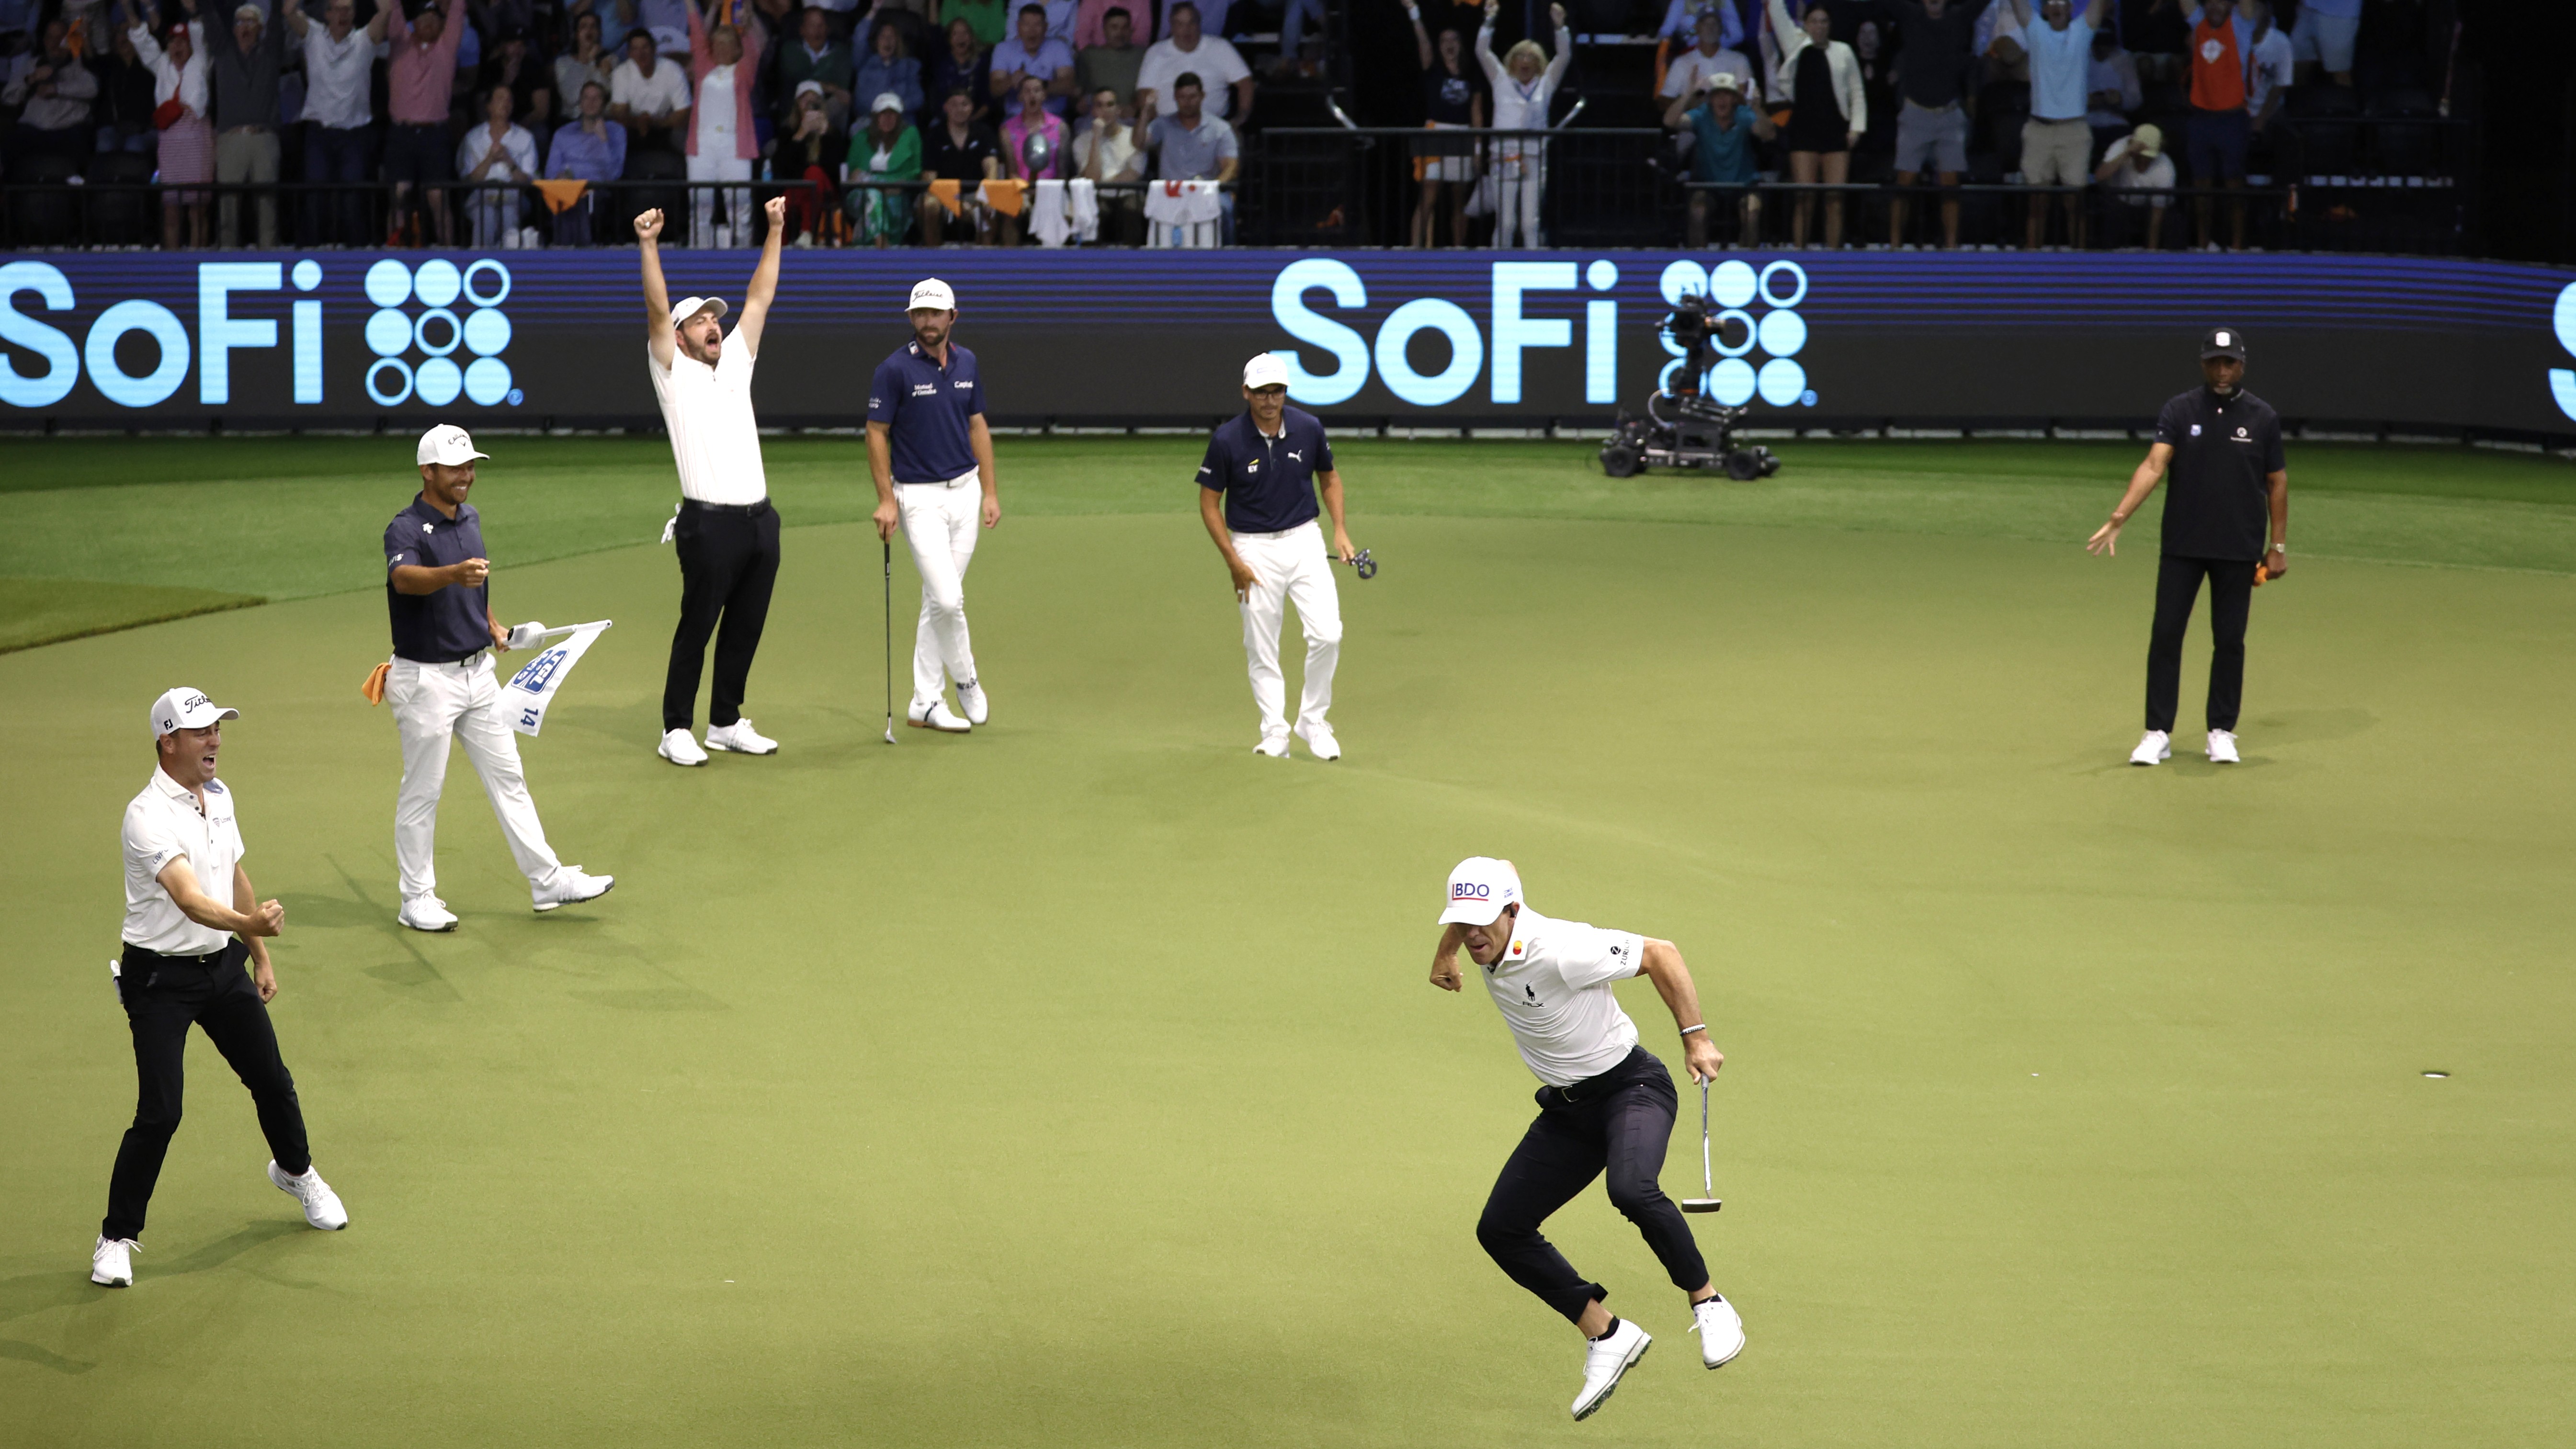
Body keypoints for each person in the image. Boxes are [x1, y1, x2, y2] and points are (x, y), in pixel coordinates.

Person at [1427, 856, 1747, 1420]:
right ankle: (1607, 1334)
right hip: (1569, 1110)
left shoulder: (1561, 947)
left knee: (1631, 1188)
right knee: (1501, 1228)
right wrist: (1446, 952)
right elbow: (1497, 875)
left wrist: (1697, 1038)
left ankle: (1710, 1302)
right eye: (1461, 920)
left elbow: (1661, 953)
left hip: (1634, 1088)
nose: (1473, 932)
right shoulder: (1481, 927)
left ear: (1513, 910)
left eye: (1483, 920)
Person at [93, 687, 351, 1292]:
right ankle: (115, 1236)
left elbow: (231, 875)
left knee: (272, 1079)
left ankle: (296, 1172)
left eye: (217, 728)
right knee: (161, 1110)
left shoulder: (220, 795)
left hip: (222, 967)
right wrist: (252, 926)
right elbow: (188, 897)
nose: (215, 739)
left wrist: (256, 954)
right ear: (168, 741)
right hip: (159, 980)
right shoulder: (146, 815)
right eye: (201, 730)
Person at [382, 425, 615, 929]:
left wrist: (497, 629)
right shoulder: (405, 528)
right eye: (455, 468)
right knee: (423, 791)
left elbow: (474, 590)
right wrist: (451, 573)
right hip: (425, 682)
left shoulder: (470, 518)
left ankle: (546, 879)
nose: (466, 476)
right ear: (428, 471)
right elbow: (404, 579)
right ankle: (415, 898)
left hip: (477, 674)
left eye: (471, 467)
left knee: (509, 777)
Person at [2085, 327, 2288, 767]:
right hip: (2183, 545)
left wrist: (2278, 544)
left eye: (2229, 362)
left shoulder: (2262, 417)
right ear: (2202, 363)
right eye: (2214, 362)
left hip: (2238, 548)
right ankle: (2157, 732)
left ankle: (2221, 731)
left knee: (2229, 640)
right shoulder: (2179, 410)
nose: (2221, 370)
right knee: (2165, 635)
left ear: (2241, 365)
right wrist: (2121, 515)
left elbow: (2277, 482)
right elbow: (2154, 464)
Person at [635, 201, 790, 766]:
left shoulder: (736, 363)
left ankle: (725, 720)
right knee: (697, 625)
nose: (712, 324)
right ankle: (676, 726)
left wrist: (774, 230)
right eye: (698, 319)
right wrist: (650, 245)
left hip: (759, 521)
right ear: (678, 337)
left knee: (746, 626)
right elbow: (656, 310)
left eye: (712, 318)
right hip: (709, 523)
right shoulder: (671, 373)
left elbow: (760, 297)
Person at [1195, 352, 1358, 759]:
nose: (1270, 400)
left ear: (1285, 391)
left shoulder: (1308, 428)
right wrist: (1233, 560)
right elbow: (1209, 503)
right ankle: (1275, 733)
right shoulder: (1227, 440)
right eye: (1262, 392)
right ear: (1246, 392)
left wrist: (1339, 530)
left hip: (1304, 540)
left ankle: (1312, 720)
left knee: (1328, 633)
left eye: (1277, 391)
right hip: (1251, 546)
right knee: (1261, 645)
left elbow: (1329, 477)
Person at [866, 278, 1002, 736]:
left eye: (935, 313)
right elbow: (876, 432)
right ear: (911, 319)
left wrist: (989, 491)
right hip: (918, 498)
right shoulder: (893, 370)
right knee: (948, 598)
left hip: (965, 493)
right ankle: (965, 678)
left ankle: (925, 701)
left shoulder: (968, 362)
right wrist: (887, 499)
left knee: (936, 602)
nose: (927, 321)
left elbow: (977, 424)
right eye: (919, 314)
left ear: (952, 317)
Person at [1886, 0, 1990, 249]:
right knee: (1904, 181)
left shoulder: (1960, 17)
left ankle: (1952, 249)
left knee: (1951, 183)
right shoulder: (1909, 15)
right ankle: (1894, 248)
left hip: (1949, 115)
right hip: (1915, 113)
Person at [281, 0, 384, 247]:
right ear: (327, 14)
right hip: (320, 132)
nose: (343, 14)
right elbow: (287, 10)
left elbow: (387, 10)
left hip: (354, 134)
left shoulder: (364, 40)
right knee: (316, 196)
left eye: (348, 8)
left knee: (352, 199)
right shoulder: (314, 34)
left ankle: (355, 257)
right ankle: (313, 254)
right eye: (337, 9)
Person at [1764, 0, 1862, 247]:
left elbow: (1857, 91)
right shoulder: (1796, 44)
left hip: (1836, 130)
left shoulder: (1844, 51)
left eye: (1824, 21)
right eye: (1814, 21)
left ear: (1830, 25)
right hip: (1804, 131)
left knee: (1835, 200)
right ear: (1806, 25)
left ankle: (1833, 260)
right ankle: (1800, 256)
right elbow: (1777, 11)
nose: (1819, 26)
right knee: (1804, 199)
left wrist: (1857, 128)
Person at [1476, 0, 1569, 249]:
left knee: (1530, 223)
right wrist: (1490, 21)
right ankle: (1496, 267)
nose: (1525, 60)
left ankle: (1534, 271)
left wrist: (1560, 28)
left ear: (1538, 61)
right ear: (1513, 60)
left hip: (1533, 158)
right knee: (1506, 223)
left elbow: (1564, 56)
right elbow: (1482, 52)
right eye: (1520, 56)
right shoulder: (1500, 79)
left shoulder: (1545, 83)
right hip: (1503, 157)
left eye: (1531, 56)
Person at [2017, 0, 2104, 249]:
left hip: (2074, 131)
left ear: (2070, 8)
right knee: (2036, 205)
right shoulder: (2036, 30)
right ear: (2044, 9)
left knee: (2075, 204)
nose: (2057, 7)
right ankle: (2033, 265)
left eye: (2062, 2)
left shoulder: (2082, 31)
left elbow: (2097, 7)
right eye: (2052, 2)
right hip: (2039, 130)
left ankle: (2078, 266)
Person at [125, 6, 211, 249]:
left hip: (196, 139)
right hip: (170, 140)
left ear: (191, 45)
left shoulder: (201, 61)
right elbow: (141, 37)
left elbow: (199, 30)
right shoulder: (162, 64)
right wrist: (126, 6)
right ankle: (172, 263)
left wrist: (193, 10)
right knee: (172, 211)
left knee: (197, 211)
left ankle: (198, 261)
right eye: (172, 41)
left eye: (182, 41)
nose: (177, 46)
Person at [386, 0, 468, 247]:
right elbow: (393, 8)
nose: (430, 24)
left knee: (438, 197)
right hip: (402, 133)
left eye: (435, 19)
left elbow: (458, 9)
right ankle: (394, 253)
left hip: (435, 135)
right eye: (424, 18)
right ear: (415, 23)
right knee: (399, 196)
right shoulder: (400, 43)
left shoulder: (446, 48)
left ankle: (448, 252)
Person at [1402, 1, 1484, 250]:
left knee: (1459, 200)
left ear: (1461, 45)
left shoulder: (1471, 73)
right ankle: (1416, 250)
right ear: (1439, 46)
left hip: (1462, 134)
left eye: (1454, 40)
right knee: (1428, 197)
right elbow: (1423, 43)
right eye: (1444, 41)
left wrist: (1479, 149)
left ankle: (1458, 251)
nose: (1449, 44)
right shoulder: (1433, 68)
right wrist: (1414, 13)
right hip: (1435, 131)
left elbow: (1477, 112)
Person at [205, 0, 285, 248]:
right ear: (233, 28)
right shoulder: (222, 51)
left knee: (268, 209)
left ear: (261, 27)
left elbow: (278, 23)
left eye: (251, 21)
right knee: (227, 209)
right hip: (230, 139)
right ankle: (227, 259)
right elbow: (209, 13)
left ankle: (270, 261)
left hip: (264, 138)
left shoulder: (271, 52)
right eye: (240, 22)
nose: (245, 27)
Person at [686, 0, 763, 246]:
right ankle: (698, 256)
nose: (719, 48)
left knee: (740, 205)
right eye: (716, 43)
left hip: (734, 146)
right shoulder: (703, 68)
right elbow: (697, 31)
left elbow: (754, 46)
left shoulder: (743, 72)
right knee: (700, 206)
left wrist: (748, 18)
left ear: (736, 49)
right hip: (702, 145)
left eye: (726, 44)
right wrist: (691, 4)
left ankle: (742, 255)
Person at [1665, 70, 1770, 247]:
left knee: (1752, 212)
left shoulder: (1744, 114)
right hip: (1708, 186)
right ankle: (1699, 262)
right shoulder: (1701, 115)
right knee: (1697, 211)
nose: (1722, 100)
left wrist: (1757, 108)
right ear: (1710, 99)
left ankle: (1747, 263)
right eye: (1717, 95)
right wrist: (1688, 93)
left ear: (1735, 99)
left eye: (1727, 95)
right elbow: (1670, 122)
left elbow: (1767, 133)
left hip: (1744, 185)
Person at [2183, 0, 2253, 249]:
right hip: (2201, 120)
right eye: (2210, 1)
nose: (2214, 6)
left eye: (2221, 1)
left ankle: (2236, 247)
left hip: (2231, 120)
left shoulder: (2241, 27)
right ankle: (2204, 246)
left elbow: (2247, 6)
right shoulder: (2199, 25)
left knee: (2235, 188)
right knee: (2201, 188)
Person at [1135, 0, 1251, 124]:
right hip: (1170, 128)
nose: (1187, 29)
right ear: (1172, 26)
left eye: (1192, 23)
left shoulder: (1221, 47)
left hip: (1215, 127)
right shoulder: (1156, 52)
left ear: (1199, 23)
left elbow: (1246, 83)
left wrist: (1239, 119)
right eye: (1180, 24)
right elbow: (1145, 92)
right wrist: (1157, 126)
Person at [2, 17, 100, 163]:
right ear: (45, 41)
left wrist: (57, 89)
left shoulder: (79, 65)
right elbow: (8, 99)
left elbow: (93, 88)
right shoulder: (32, 65)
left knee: (80, 141)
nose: (54, 43)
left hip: (67, 130)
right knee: (10, 143)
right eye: (50, 38)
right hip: (33, 130)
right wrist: (31, 80)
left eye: (60, 38)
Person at [548, 80, 629, 244]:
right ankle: (563, 253)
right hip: (566, 188)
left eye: (596, 98)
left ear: (604, 104)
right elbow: (550, 173)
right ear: (580, 102)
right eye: (586, 98)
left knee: (583, 201)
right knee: (564, 197)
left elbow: (614, 174)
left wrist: (604, 140)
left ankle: (583, 253)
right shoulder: (564, 133)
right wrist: (561, 178)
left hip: (597, 190)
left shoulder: (616, 131)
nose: (591, 103)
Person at [456, 86, 537, 246]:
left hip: (514, 196)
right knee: (485, 214)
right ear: (489, 106)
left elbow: (527, 182)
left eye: (509, 100)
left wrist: (509, 161)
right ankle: (481, 261)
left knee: (508, 213)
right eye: (500, 99)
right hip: (482, 195)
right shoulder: (473, 137)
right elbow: (469, 180)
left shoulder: (525, 137)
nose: (505, 104)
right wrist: (490, 159)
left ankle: (509, 260)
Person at [919, 84, 1001, 240]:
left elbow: (991, 167)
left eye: (965, 104)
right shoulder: (934, 135)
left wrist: (987, 195)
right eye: (954, 105)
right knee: (929, 205)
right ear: (946, 108)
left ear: (972, 108)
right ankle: (931, 260)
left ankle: (985, 260)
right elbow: (929, 179)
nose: (960, 109)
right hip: (943, 194)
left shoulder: (984, 133)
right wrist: (954, 202)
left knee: (993, 205)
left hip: (975, 194)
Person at [777, 80, 847, 242]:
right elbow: (783, 168)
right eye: (805, 100)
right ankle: (779, 247)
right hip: (798, 189)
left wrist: (824, 135)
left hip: (826, 191)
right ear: (797, 105)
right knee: (780, 205)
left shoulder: (833, 133)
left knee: (814, 172)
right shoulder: (788, 132)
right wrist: (801, 135)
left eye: (814, 101)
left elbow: (835, 171)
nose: (809, 105)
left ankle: (807, 232)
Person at [848, 89, 920, 243]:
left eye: (892, 114)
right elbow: (853, 175)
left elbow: (915, 171)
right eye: (883, 114)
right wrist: (880, 183)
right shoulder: (861, 138)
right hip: (862, 194)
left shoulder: (911, 135)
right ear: (875, 117)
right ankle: (882, 245)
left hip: (897, 193)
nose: (888, 119)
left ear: (899, 117)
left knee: (887, 203)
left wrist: (896, 184)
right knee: (874, 196)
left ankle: (868, 243)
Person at [610, 24, 693, 153]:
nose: (641, 53)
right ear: (629, 54)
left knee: (682, 136)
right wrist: (640, 122)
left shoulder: (673, 70)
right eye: (635, 49)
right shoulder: (621, 73)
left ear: (654, 49)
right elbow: (619, 115)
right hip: (633, 127)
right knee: (616, 132)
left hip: (666, 126)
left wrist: (654, 123)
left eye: (645, 47)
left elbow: (684, 113)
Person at [2093, 119, 2170, 247]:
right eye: (2140, 156)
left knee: (2171, 221)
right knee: (2111, 213)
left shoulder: (2166, 167)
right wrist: (2126, 154)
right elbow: (2100, 177)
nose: (2144, 161)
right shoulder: (2120, 147)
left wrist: (2152, 256)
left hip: (2147, 208)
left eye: (2149, 158)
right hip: (2119, 204)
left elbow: (2157, 215)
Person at [988, 1, 1072, 118]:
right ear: (1018, 27)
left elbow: (1068, 86)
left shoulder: (1059, 47)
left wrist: (1038, 85)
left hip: (1053, 118)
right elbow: (995, 89)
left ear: (1046, 27)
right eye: (1026, 25)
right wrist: (1011, 81)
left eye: (1037, 25)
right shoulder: (1003, 49)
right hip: (1015, 118)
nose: (1032, 31)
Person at [1074, 3, 1141, 115]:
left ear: (1131, 30)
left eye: (1125, 27)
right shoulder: (1089, 56)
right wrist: (1079, 102)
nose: (1120, 33)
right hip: (1095, 117)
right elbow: (1077, 92)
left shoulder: (1142, 55)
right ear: (1104, 29)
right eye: (1114, 27)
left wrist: (1134, 108)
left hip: (1129, 118)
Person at [850, 12, 917, 123]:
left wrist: (894, 109)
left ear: (897, 42)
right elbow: (859, 39)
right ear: (876, 42)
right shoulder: (864, 63)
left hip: (900, 122)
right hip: (869, 120)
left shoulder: (909, 66)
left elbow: (917, 98)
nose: (887, 41)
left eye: (892, 37)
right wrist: (873, 11)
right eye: (883, 36)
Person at [555, 10, 620, 116]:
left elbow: (610, 96)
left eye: (593, 26)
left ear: (599, 33)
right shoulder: (563, 63)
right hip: (574, 120)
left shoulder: (611, 60)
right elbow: (572, 98)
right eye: (584, 26)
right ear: (576, 35)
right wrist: (591, 62)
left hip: (603, 119)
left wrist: (607, 76)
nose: (589, 30)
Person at [2289, 0, 2356, 87]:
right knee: (2297, 62)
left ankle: (2344, 99)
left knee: (2339, 71)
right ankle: (2295, 98)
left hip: (2340, 14)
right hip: (2307, 8)